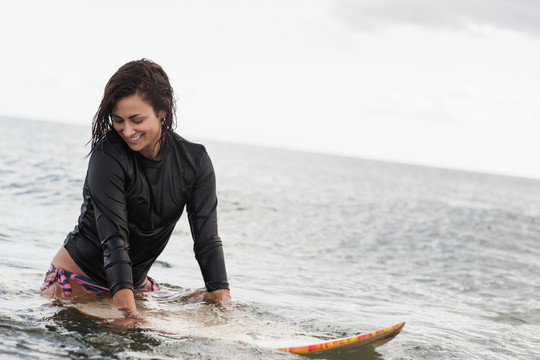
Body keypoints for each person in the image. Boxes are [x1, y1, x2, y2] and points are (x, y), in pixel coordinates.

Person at [40, 59, 230, 325]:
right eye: (118, 121)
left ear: (162, 110)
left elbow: (207, 241)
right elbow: (114, 240)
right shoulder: (108, 156)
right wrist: (128, 315)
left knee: (210, 300)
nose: (127, 131)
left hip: (135, 287)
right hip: (77, 283)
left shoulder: (194, 161)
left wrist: (224, 305)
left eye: (136, 119)